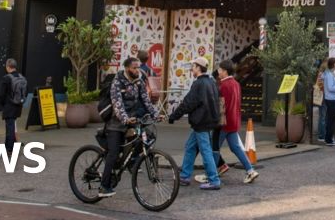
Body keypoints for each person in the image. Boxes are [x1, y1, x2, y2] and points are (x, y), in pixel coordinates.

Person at [101, 56, 159, 198]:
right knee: (113, 153)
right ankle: (104, 186)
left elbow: (146, 101)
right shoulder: (117, 82)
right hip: (116, 123)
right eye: (134, 67)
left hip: (132, 120)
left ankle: (130, 162)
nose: (137, 70)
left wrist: (156, 114)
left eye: (138, 67)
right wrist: (125, 118)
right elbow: (117, 104)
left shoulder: (139, 81)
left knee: (147, 138)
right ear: (127, 68)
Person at [169, 57, 222, 190]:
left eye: (193, 67)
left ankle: (214, 180)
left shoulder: (198, 84)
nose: (191, 69)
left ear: (198, 68)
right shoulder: (211, 82)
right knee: (190, 147)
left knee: (205, 151)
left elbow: (188, 103)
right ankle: (185, 176)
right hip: (208, 121)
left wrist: (174, 116)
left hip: (201, 122)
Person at [210, 60, 260, 183]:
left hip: (223, 122)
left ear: (225, 71)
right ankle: (250, 170)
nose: (218, 72)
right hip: (233, 121)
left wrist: (215, 122)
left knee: (213, 147)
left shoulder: (223, 85)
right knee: (236, 147)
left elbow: (221, 106)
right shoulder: (236, 84)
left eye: (220, 70)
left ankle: (211, 174)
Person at [0, 58, 26, 155]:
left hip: (9, 105)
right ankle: (7, 146)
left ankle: (10, 148)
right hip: (18, 105)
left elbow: (1, 94)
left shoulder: (6, 78)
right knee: (12, 125)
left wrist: (3, 104)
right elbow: (25, 92)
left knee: (10, 127)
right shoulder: (22, 78)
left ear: (8, 67)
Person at [313, 58, 329, 141]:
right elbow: (320, 85)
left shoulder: (323, 73)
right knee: (323, 116)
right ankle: (321, 135)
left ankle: (323, 134)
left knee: (323, 116)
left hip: (324, 96)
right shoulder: (322, 73)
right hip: (323, 97)